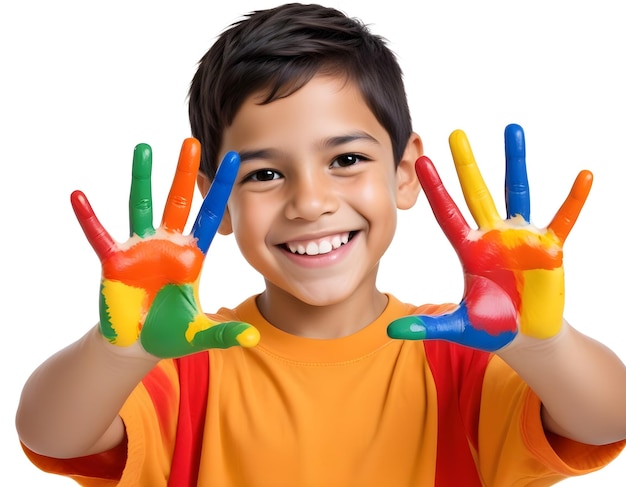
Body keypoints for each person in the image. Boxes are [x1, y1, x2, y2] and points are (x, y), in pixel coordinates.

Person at [15, 3, 626, 486]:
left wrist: (541, 345)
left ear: (406, 172)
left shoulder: (462, 351)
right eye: (263, 174)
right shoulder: (185, 361)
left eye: (347, 159)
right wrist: (119, 355)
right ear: (216, 202)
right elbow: (52, 436)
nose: (310, 202)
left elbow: (607, 419)